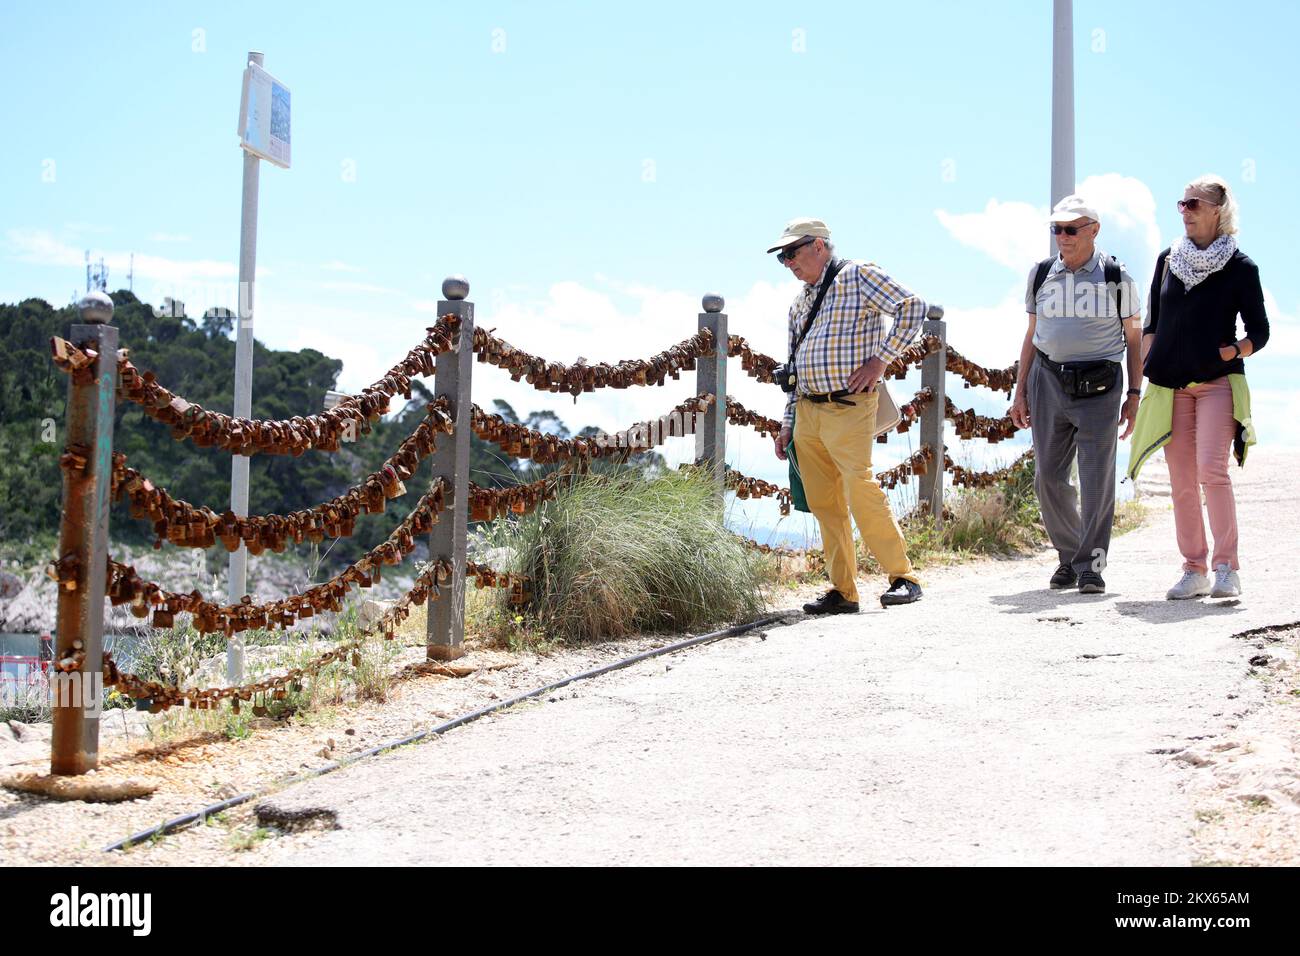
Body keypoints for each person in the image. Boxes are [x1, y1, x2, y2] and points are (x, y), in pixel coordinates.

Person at [768, 217, 926, 612]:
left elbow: (913, 307)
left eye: (792, 252)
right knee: (825, 503)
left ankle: (903, 577)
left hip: (848, 404)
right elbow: (794, 368)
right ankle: (843, 591)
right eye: (782, 257)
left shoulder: (857, 275)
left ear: (819, 246)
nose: (788, 262)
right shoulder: (800, 302)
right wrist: (787, 424)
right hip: (807, 409)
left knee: (860, 488)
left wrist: (881, 361)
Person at [1128, 175, 1268, 600]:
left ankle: (1227, 567)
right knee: (1181, 479)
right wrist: (1151, 357)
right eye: (1182, 204)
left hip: (1216, 383)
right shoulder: (1167, 260)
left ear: (1217, 211)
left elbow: (1259, 331)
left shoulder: (1240, 267)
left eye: (1193, 204)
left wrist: (1235, 351)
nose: (1185, 211)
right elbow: (1151, 321)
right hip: (1171, 385)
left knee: (1212, 471)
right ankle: (1194, 569)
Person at [1009, 196, 1143, 595]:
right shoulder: (1041, 273)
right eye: (1057, 229)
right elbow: (1032, 333)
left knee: (1096, 478)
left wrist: (1135, 393)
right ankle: (1069, 557)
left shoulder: (1117, 276)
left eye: (1071, 229)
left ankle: (1091, 566)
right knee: (1048, 477)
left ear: (1094, 230)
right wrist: (1020, 390)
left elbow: (1134, 337)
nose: (1062, 237)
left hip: (1100, 383)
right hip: (1048, 379)